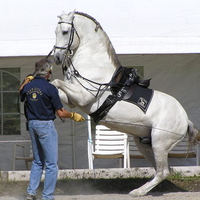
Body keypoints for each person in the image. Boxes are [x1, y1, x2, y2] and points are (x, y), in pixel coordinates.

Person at [19, 58, 85, 200]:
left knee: (37, 161)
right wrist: (73, 115)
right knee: (51, 164)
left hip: (32, 124)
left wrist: (26, 80)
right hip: (45, 125)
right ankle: (47, 196)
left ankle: (31, 193)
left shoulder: (28, 85)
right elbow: (60, 113)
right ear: (48, 72)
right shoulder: (50, 88)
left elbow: (20, 93)